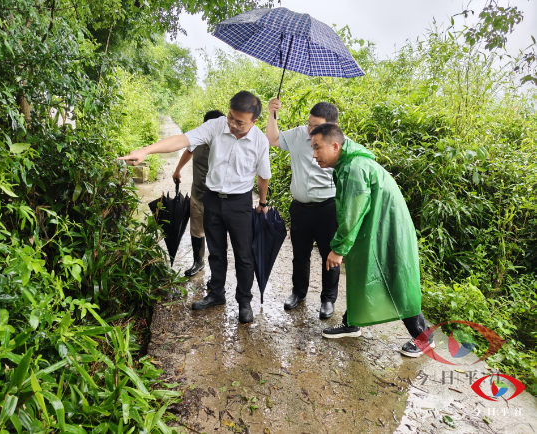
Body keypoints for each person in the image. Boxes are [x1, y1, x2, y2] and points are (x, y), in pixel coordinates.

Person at [119, 91, 271, 324]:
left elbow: (263, 176)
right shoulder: (216, 125)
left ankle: (244, 301)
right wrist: (146, 150)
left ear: (254, 121)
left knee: (244, 254)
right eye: (230, 117)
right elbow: (183, 140)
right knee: (216, 251)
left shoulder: (260, 141)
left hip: (239, 203)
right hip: (211, 198)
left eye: (239, 122)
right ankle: (217, 294)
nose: (232, 124)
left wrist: (262, 202)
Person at [310, 123, 434, 357]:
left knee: (396, 276)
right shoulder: (349, 162)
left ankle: (423, 337)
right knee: (360, 273)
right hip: (373, 224)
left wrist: (338, 248)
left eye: (318, 148)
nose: (314, 155)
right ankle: (352, 322)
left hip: (387, 229)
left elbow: (352, 213)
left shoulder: (354, 168)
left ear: (335, 146)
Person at [265, 99, 339, 319]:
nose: (310, 130)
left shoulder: (339, 144)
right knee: (300, 254)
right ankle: (299, 292)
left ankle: (328, 299)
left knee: (329, 255)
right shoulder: (298, 135)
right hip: (300, 208)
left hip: (328, 208)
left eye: (316, 127)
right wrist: (272, 114)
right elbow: (272, 139)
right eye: (309, 124)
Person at [172, 110, 225, 277]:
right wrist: (177, 170)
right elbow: (188, 151)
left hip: (219, 197)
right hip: (199, 192)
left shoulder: (227, 141)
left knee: (217, 233)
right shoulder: (199, 138)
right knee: (196, 229)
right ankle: (198, 261)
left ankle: (217, 275)